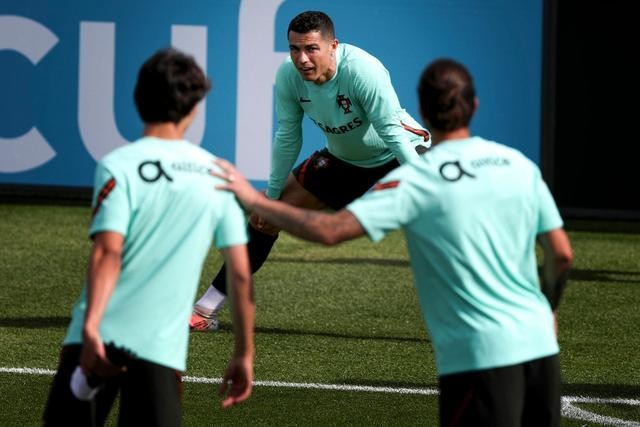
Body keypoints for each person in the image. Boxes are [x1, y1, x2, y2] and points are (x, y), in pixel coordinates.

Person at [211, 58, 573, 426]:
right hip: (541, 347)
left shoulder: (417, 181)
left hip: (479, 356)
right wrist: (548, 310)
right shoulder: (518, 165)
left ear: (421, 112)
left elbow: (330, 231)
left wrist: (256, 200)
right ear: (475, 106)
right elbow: (561, 254)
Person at [43, 48, 255, 426]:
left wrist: (91, 328)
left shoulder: (117, 165)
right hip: (159, 348)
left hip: (97, 335)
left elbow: (108, 252)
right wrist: (244, 353)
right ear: (194, 108)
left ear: (138, 99)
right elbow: (240, 274)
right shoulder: (218, 176)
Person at [190, 10, 430, 331]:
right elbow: (288, 135)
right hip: (345, 161)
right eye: (294, 49)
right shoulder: (288, 76)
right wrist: (271, 197)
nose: (302, 59)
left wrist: (429, 190)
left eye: (311, 49)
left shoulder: (363, 70)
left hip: (402, 152)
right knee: (265, 220)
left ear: (333, 46)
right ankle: (205, 310)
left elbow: (392, 133)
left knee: (447, 226)